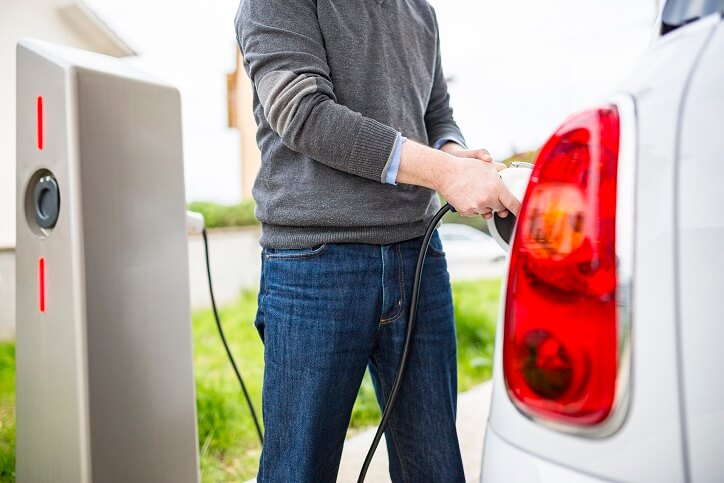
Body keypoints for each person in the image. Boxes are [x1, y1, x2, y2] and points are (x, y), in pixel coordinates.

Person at [235, 1, 520, 481]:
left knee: (434, 469)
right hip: (314, 266)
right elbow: (303, 113)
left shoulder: (420, 11)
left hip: (419, 258)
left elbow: (436, 114)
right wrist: (444, 172)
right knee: (298, 471)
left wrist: (455, 155)